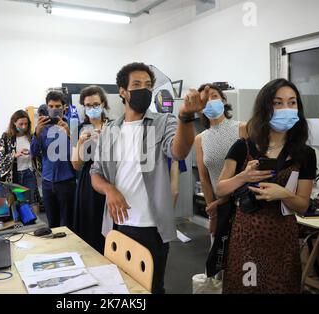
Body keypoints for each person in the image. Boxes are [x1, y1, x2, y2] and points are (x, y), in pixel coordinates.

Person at [90, 62, 209, 293]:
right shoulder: (111, 130)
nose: (143, 90)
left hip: (151, 227)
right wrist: (110, 190)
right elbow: (96, 173)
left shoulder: (164, 122)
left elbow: (179, 151)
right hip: (116, 225)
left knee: (152, 288)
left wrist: (185, 117)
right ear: (123, 92)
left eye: (148, 85)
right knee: (121, 289)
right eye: (136, 84)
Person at [216, 78, 316, 294]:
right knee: (245, 288)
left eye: (292, 103)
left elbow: (302, 205)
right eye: (278, 103)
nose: (286, 109)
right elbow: (220, 189)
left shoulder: (305, 154)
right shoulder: (243, 146)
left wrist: (283, 194)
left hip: (283, 240)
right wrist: (243, 177)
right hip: (246, 237)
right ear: (265, 108)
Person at [194, 84, 247, 236]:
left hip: (243, 204)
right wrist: (213, 214)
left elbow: (251, 168)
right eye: (205, 100)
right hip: (219, 209)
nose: (210, 101)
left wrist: (222, 202)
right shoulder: (200, 139)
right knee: (218, 254)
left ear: (224, 101)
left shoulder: (242, 128)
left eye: (214, 96)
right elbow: (204, 178)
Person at [71, 85, 110, 254]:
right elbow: (76, 165)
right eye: (88, 105)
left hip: (110, 179)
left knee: (110, 225)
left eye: (95, 104)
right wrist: (80, 143)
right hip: (88, 183)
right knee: (89, 224)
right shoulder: (79, 129)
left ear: (103, 104)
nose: (92, 108)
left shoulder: (114, 126)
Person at [31, 91, 76, 228]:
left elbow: (79, 153)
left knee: (69, 222)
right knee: (52, 223)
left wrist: (69, 134)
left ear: (65, 107)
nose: (54, 109)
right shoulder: (42, 128)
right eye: (51, 106)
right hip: (48, 183)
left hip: (67, 182)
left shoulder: (72, 126)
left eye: (57, 106)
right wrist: (37, 133)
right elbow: (33, 153)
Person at [0, 110, 40, 215]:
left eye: (26, 124)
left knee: (33, 202)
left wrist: (33, 153)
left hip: (29, 173)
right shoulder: (6, 137)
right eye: (21, 124)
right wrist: (14, 155)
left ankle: (38, 226)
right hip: (14, 176)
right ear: (14, 123)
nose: (24, 126)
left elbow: (39, 153)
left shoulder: (31, 136)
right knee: (16, 203)